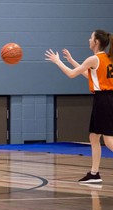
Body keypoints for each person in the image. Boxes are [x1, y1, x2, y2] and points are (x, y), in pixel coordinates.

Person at [45, 29, 113, 183]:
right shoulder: (107, 58)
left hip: (104, 100)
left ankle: (95, 173)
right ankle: (94, 174)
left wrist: (58, 61)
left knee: (109, 141)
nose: (88, 40)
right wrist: (71, 59)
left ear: (96, 42)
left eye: (91, 38)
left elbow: (71, 74)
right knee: (94, 137)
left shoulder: (94, 59)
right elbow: (89, 74)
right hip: (105, 99)